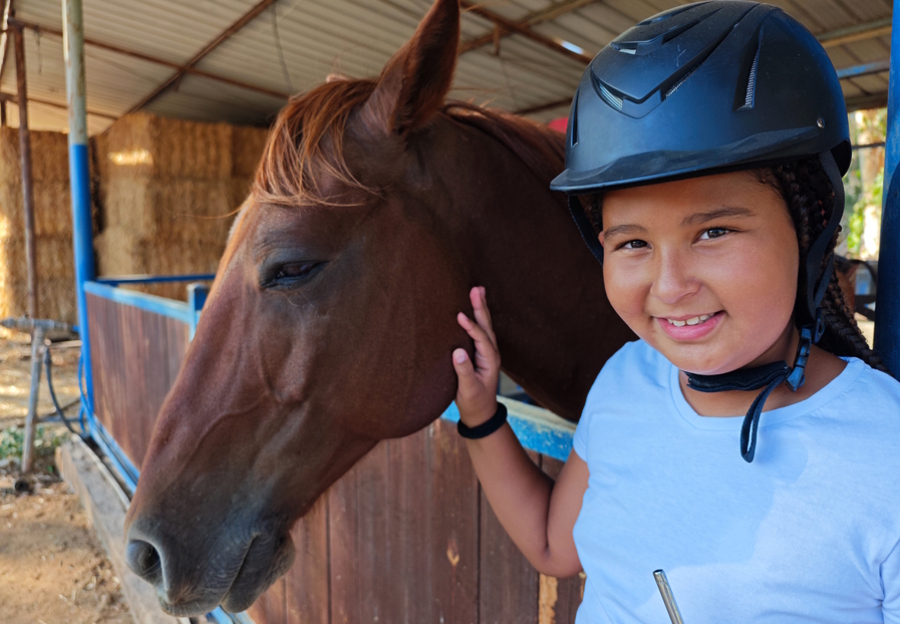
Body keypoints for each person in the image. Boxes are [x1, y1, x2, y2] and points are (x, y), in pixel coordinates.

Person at [450, 2, 900, 623]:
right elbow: (557, 546)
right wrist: (480, 416)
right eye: (632, 243)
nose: (670, 285)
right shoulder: (626, 380)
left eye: (714, 232)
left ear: (811, 223)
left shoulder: (887, 453)